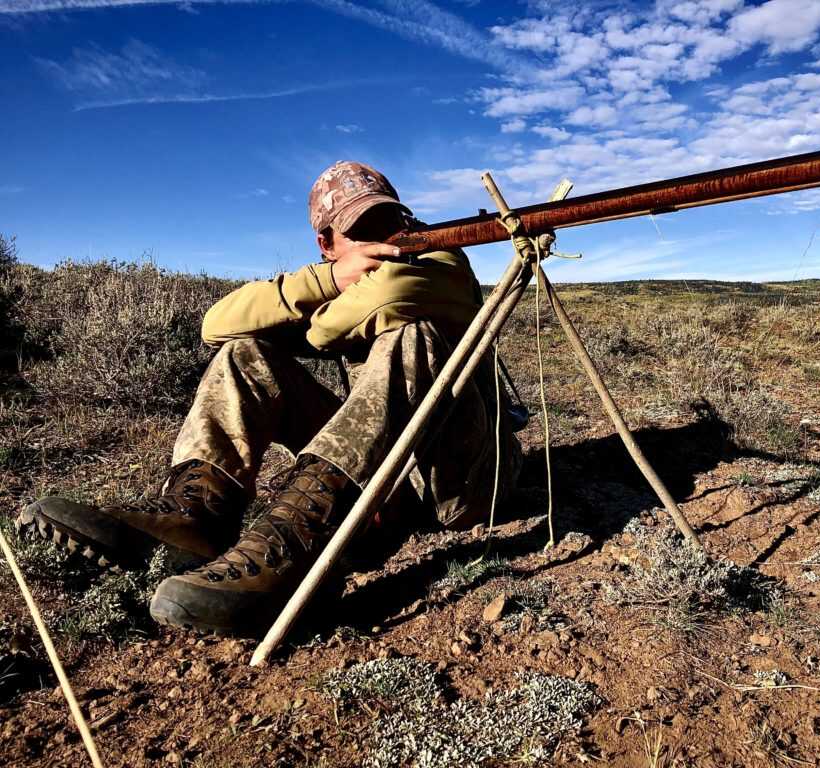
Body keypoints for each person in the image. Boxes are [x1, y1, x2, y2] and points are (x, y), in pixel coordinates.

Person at [18, 162, 522, 636]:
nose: (385, 239)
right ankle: (197, 517)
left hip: (463, 484)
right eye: (362, 231)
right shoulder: (335, 276)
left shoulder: (443, 260)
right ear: (327, 244)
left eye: (390, 219)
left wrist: (325, 312)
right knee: (244, 355)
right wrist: (327, 281)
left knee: (409, 337)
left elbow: (356, 316)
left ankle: (295, 543)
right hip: (386, 483)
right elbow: (216, 325)